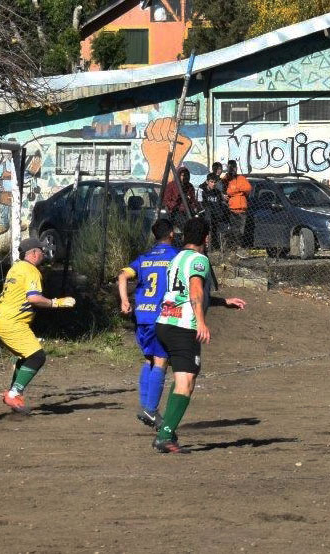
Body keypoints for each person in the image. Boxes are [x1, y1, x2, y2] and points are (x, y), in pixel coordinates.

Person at [153, 217, 246, 453]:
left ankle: (168, 431)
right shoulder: (199, 260)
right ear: (206, 238)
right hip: (183, 326)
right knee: (185, 382)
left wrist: (224, 302)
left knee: (183, 379)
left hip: (165, 322)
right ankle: (165, 436)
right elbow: (194, 290)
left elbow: (182, 292)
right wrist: (201, 323)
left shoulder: (176, 259)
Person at [0, 238, 76, 413]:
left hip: (3, 319)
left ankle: (13, 394)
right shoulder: (30, 270)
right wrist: (57, 303)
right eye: (41, 251)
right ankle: (13, 394)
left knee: (26, 357)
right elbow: (34, 298)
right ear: (33, 253)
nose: (43, 254)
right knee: (37, 357)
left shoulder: (16, 268)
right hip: (13, 322)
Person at [117, 219, 179, 429]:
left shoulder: (143, 258)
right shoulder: (175, 257)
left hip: (141, 315)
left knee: (148, 360)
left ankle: (146, 407)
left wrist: (125, 301)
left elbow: (123, 275)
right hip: (160, 317)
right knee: (161, 361)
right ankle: (151, 410)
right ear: (171, 233)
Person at [224, 160, 252, 249]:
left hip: (241, 210)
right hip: (231, 209)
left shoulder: (241, 178)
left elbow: (248, 188)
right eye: (230, 167)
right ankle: (232, 246)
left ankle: (239, 246)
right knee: (233, 230)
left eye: (234, 167)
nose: (233, 169)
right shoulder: (226, 179)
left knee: (241, 231)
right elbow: (226, 190)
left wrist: (235, 189)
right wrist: (239, 191)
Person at [198, 173, 229, 248]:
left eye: (215, 182)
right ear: (207, 182)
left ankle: (215, 246)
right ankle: (207, 245)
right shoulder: (202, 190)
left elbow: (220, 204)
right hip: (205, 215)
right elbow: (200, 204)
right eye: (211, 182)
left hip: (216, 215)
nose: (213, 184)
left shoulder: (217, 192)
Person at [163, 166, 199, 231]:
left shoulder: (189, 186)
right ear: (178, 176)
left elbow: (193, 200)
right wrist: (175, 202)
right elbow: (166, 200)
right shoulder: (172, 185)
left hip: (189, 211)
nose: (184, 177)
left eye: (186, 175)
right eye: (182, 175)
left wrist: (194, 206)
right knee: (186, 225)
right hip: (176, 211)